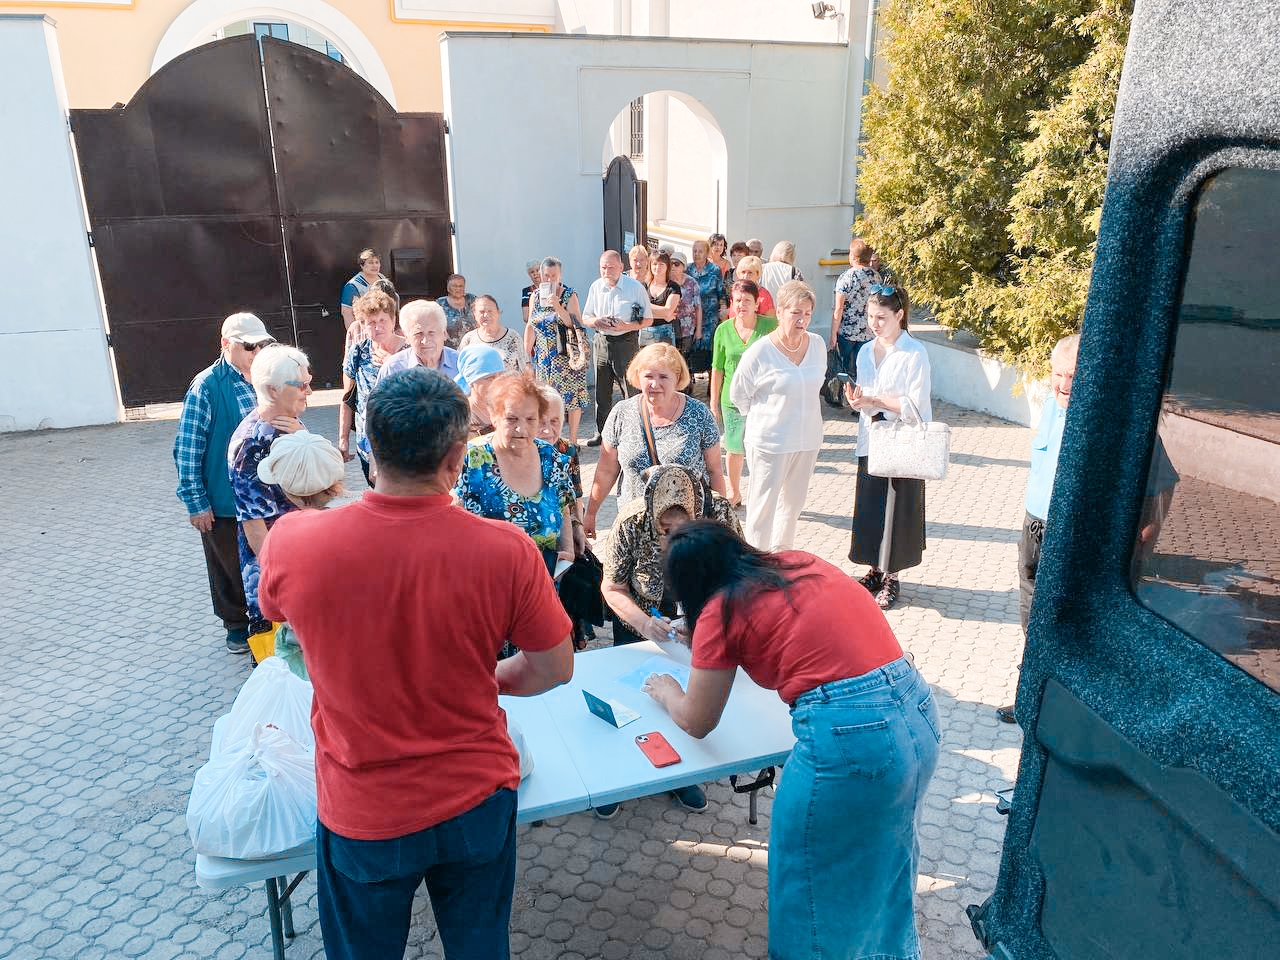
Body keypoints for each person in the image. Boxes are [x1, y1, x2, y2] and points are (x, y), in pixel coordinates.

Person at [257, 367, 574, 960]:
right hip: (475, 797)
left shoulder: (295, 541)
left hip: (365, 810)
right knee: (479, 946)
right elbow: (555, 667)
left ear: (369, 452)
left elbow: (282, 617)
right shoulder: (506, 551)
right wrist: (492, 678)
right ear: (457, 459)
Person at [647, 520, 939, 960]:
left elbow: (697, 720)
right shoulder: (796, 562)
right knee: (888, 869)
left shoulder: (718, 612)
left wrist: (668, 690)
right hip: (917, 710)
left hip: (851, 739)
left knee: (807, 887)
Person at [596, 465, 740, 818]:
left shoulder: (719, 513)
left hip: (700, 623)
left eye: (682, 529)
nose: (672, 540)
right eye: (663, 531)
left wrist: (705, 622)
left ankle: (677, 773)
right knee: (632, 700)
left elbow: (737, 575)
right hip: (642, 623)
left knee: (685, 696)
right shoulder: (630, 521)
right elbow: (612, 587)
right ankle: (619, 778)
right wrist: (644, 623)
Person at [173, 313, 274, 654]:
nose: (256, 351)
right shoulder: (207, 386)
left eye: (261, 344)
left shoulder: (262, 378)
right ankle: (235, 624)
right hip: (224, 500)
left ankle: (266, 618)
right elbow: (187, 448)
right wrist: (196, 502)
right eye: (249, 346)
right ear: (225, 345)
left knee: (264, 560)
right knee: (228, 565)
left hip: (263, 496)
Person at [998, 333, 1079, 723]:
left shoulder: (1096, 420)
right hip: (1034, 525)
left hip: (1068, 533)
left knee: (1060, 621)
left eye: (1072, 376)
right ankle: (1029, 699)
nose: (1063, 385)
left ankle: (1056, 707)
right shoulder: (1051, 404)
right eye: (1058, 375)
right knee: (1030, 615)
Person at [844, 283, 932, 610]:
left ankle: (892, 575)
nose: (874, 324)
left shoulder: (915, 352)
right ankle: (874, 568)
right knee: (871, 506)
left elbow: (917, 405)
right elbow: (866, 394)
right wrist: (858, 401)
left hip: (902, 442)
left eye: (881, 317)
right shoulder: (867, 351)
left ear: (899, 315)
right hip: (872, 437)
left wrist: (877, 399)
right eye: (870, 317)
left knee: (897, 507)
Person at [584, 343, 724, 537]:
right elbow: (606, 470)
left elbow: (715, 471)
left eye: (663, 377)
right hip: (635, 527)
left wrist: (720, 524)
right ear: (638, 376)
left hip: (686, 529)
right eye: (648, 376)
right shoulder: (621, 413)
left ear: (677, 378)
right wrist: (590, 513)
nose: (654, 384)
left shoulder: (699, 414)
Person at [730, 280, 825, 551]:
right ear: (780, 312)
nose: (802, 319)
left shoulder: (817, 345)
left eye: (807, 313)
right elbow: (739, 394)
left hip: (807, 440)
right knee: (763, 508)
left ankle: (782, 561)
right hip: (769, 443)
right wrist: (768, 418)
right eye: (796, 312)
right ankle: (756, 566)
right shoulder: (761, 351)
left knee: (792, 506)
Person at [228, 344, 312, 636]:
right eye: (301, 385)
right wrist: (281, 583)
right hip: (279, 579)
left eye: (309, 382)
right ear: (273, 390)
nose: (308, 391)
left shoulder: (290, 425)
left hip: (304, 560)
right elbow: (254, 527)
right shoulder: (251, 445)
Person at [255, 430, 346, 679]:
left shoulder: (283, 533)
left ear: (288, 490)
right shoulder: (370, 512)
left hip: (313, 653)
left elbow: (271, 608)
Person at [712, 280, 778, 507]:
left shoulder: (770, 326)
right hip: (732, 399)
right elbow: (717, 368)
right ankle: (734, 490)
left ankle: (764, 494)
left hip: (763, 399)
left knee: (762, 448)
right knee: (734, 447)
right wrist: (713, 403)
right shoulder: (723, 330)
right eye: (737, 300)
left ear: (757, 302)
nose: (741, 305)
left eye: (747, 300)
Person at [581, 249, 653, 445]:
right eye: (603, 267)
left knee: (631, 389)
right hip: (602, 341)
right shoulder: (596, 287)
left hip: (626, 341)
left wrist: (625, 326)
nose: (607, 271)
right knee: (601, 391)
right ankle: (601, 432)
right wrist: (597, 321)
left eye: (611, 267)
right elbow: (585, 317)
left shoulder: (635, 287)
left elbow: (648, 319)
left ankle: (636, 432)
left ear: (621, 267)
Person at [339, 289, 404, 485]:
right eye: (371, 322)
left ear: (393, 320)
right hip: (368, 438)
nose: (377, 327)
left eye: (382, 320)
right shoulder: (358, 352)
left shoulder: (409, 351)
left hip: (405, 436)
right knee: (378, 492)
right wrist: (343, 439)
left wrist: (393, 363)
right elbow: (347, 398)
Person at [525, 257, 589, 447]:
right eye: (546, 275)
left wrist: (557, 306)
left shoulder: (569, 295)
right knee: (546, 398)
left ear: (560, 275)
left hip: (565, 356)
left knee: (572, 398)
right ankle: (550, 438)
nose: (550, 279)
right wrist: (526, 355)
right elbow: (531, 325)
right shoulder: (535, 296)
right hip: (544, 357)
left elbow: (574, 323)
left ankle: (574, 440)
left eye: (554, 275)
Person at [377, 299, 459, 384]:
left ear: (444, 333)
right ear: (406, 337)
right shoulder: (393, 369)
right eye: (418, 334)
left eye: (431, 333)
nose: (425, 341)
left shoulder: (460, 365)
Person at [831, 239, 879, 375]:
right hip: (869, 332)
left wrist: (833, 334)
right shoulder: (876, 277)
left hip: (847, 332)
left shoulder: (845, 278)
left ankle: (847, 393)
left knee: (845, 369)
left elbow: (838, 308)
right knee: (864, 369)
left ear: (852, 256)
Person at [459, 295, 527, 372]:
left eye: (490, 311)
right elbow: (460, 369)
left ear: (498, 313)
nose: (486, 315)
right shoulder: (469, 339)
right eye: (481, 312)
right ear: (474, 315)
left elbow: (525, 368)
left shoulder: (513, 337)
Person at [687, 239, 726, 375]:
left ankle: (711, 379)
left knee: (709, 347)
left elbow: (721, 292)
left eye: (700, 251)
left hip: (710, 316)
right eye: (694, 251)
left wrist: (723, 309)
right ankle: (689, 379)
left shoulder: (714, 270)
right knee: (691, 347)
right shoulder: (688, 269)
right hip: (691, 315)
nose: (697, 254)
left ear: (707, 253)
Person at [454, 342, 508, 438]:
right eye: (490, 378)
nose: (498, 382)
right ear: (471, 382)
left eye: (501, 376)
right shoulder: (457, 418)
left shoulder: (510, 410)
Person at [339, 248, 384, 337]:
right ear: (362, 265)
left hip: (382, 328)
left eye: (377, 262)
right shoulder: (352, 286)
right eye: (370, 263)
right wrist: (356, 335)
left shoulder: (382, 278)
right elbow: (346, 313)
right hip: (365, 331)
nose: (375, 265)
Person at [641, 250, 681, 347]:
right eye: (654, 264)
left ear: (667, 267)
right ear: (650, 265)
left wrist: (645, 307)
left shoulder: (673, 287)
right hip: (645, 332)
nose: (657, 267)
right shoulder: (643, 286)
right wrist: (663, 315)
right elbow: (638, 311)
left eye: (661, 264)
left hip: (665, 334)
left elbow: (667, 311)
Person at [670, 251, 702, 366]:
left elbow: (698, 307)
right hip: (670, 326)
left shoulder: (692, 283)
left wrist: (698, 330)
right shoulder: (666, 281)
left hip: (687, 327)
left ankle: (685, 382)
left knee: (684, 358)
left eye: (677, 264)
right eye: (671, 263)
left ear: (683, 267)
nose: (673, 266)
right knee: (671, 358)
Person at [437, 273, 477, 347]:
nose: (458, 289)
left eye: (460, 286)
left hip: (472, 345)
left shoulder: (472, 299)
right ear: (448, 288)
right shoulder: (440, 303)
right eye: (454, 286)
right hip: (450, 346)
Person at [520, 259, 541, 323]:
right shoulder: (526, 291)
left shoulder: (553, 287)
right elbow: (526, 317)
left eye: (537, 270)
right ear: (529, 275)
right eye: (532, 272)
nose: (535, 274)